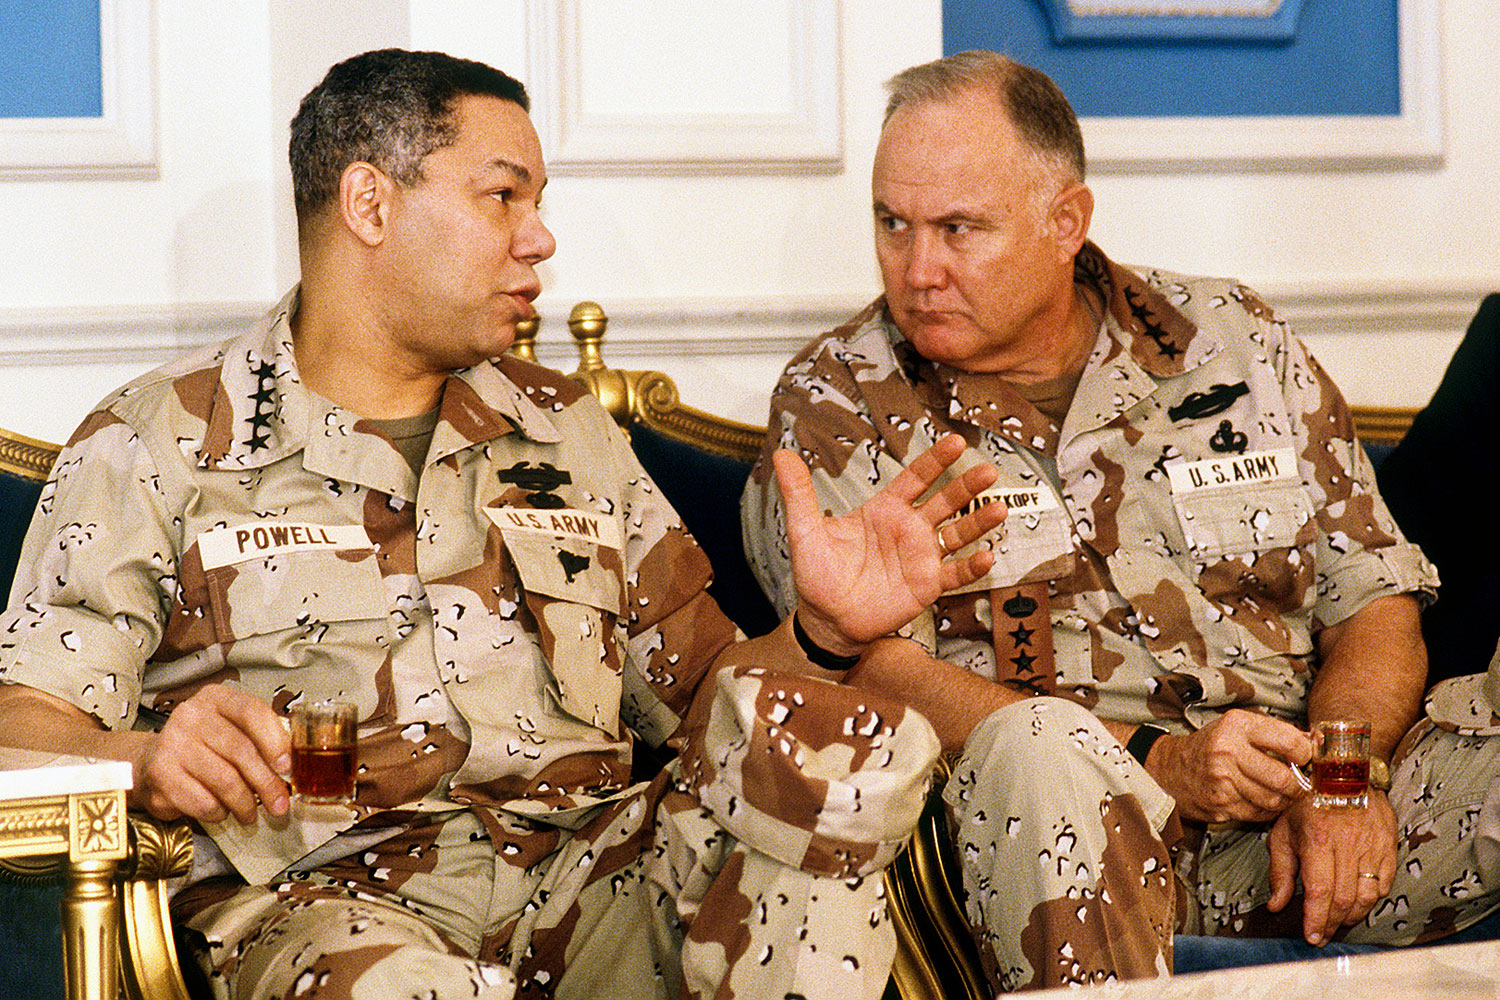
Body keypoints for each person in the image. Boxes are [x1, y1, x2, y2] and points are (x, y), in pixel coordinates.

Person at [0, 49, 1008, 1000]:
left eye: (538, 202)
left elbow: (710, 707)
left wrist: (825, 635)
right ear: (369, 203)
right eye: (502, 194)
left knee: (824, 767)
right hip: (329, 902)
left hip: (592, 877)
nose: (538, 237)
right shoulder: (161, 438)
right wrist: (148, 761)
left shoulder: (565, 427)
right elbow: (19, 731)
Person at [741, 50, 1500, 991]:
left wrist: (1346, 782)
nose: (918, 267)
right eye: (892, 224)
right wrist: (1158, 765)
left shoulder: (1236, 341)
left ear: (1067, 222)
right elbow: (870, 663)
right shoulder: (839, 399)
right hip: (1051, 847)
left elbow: (1373, 598)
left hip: (1304, 832)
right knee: (1038, 749)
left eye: (958, 228)